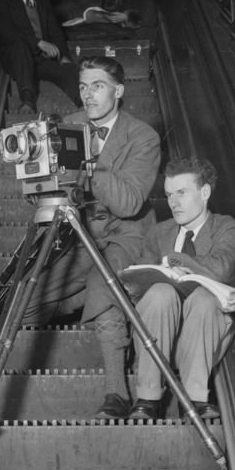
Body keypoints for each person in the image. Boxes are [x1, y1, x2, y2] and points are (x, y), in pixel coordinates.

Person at [21, 56, 162, 417]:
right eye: (83, 87)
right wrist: (35, 177)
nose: (88, 96)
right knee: (25, 306)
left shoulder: (143, 137)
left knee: (104, 281)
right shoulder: (68, 125)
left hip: (126, 234)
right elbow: (49, 197)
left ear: (118, 90)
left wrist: (88, 160)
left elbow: (129, 202)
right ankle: (80, 297)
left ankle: (117, 392)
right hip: (80, 233)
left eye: (97, 86)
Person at [126, 156, 235, 420]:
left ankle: (195, 399)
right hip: (159, 335)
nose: (173, 203)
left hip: (204, 336)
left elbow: (222, 268)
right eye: (168, 195)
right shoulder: (159, 233)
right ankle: (148, 398)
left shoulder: (225, 227)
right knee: (159, 293)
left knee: (204, 298)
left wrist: (176, 261)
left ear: (205, 192)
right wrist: (161, 275)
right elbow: (138, 286)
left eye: (181, 193)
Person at [0, 0, 81, 114]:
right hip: (17, 59)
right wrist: (38, 42)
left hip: (41, 60)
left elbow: (55, 31)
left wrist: (64, 56)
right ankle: (27, 101)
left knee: (68, 69)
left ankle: (84, 106)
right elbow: (5, 32)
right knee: (19, 46)